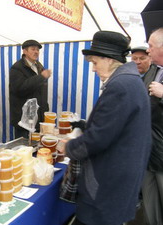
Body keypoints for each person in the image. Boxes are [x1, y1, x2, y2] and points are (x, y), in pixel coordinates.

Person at [57, 31, 152, 225]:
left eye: (94, 62)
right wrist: (85, 125)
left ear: (108, 60)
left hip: (109, 182)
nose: (93, 69)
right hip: (121, 176)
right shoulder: (131, 81)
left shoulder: (121, 86)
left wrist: (68, 147)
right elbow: (116, 126)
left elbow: (97, 139)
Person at [141, 27, 163, 225]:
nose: (148, 51)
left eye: (150, 46)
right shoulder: (152, 69)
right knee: (149, 204)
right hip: (147, 150)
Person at [9, 39, 52, 138]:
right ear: (24, 51)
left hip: (38, 119)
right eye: (33, 49)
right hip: (24, 120)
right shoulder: (17, 68)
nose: (36, 52)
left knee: (38, 149)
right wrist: (41, 77)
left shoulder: (39, 67)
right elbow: (20, 89)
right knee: (23, 149)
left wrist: (45, 111)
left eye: (37, 50)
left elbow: (41, 93)